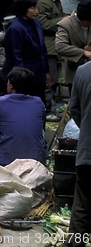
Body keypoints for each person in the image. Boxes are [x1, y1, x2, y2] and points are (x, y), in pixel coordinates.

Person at [0, 67, 47, 166]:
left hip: (7, 159)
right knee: (40, 130)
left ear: (11, 86)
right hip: (36, 159)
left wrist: (0, 123)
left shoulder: (0, 102)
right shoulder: (38, 102)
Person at [0, 0, 49, 103]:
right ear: (23, 9)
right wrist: (21, 81)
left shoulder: (37, 23)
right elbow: (16, 58)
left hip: (39, 74)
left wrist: (46, 71)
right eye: (32, 8)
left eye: (36, 7)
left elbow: (43, 49)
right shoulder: (16, 29)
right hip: (25, 77)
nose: (36, 11)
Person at [37, 0, 73, 119]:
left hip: (54, 45)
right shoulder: (44, 1)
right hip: (47, 46)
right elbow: (43, 24)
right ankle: (46, 109)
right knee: (49, 79)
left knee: (54, 77)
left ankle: (49, 104)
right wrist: (63, 20)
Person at [66, 60, 91, 247]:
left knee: (82, 205)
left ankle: (76, 243)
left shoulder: (83, 71)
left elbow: (74, 108)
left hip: (87, 152)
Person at [55, 0, 91, 92]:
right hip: (75, 71)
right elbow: (60, 46)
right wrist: (83, 52)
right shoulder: (66, 24)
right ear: (86, 20)